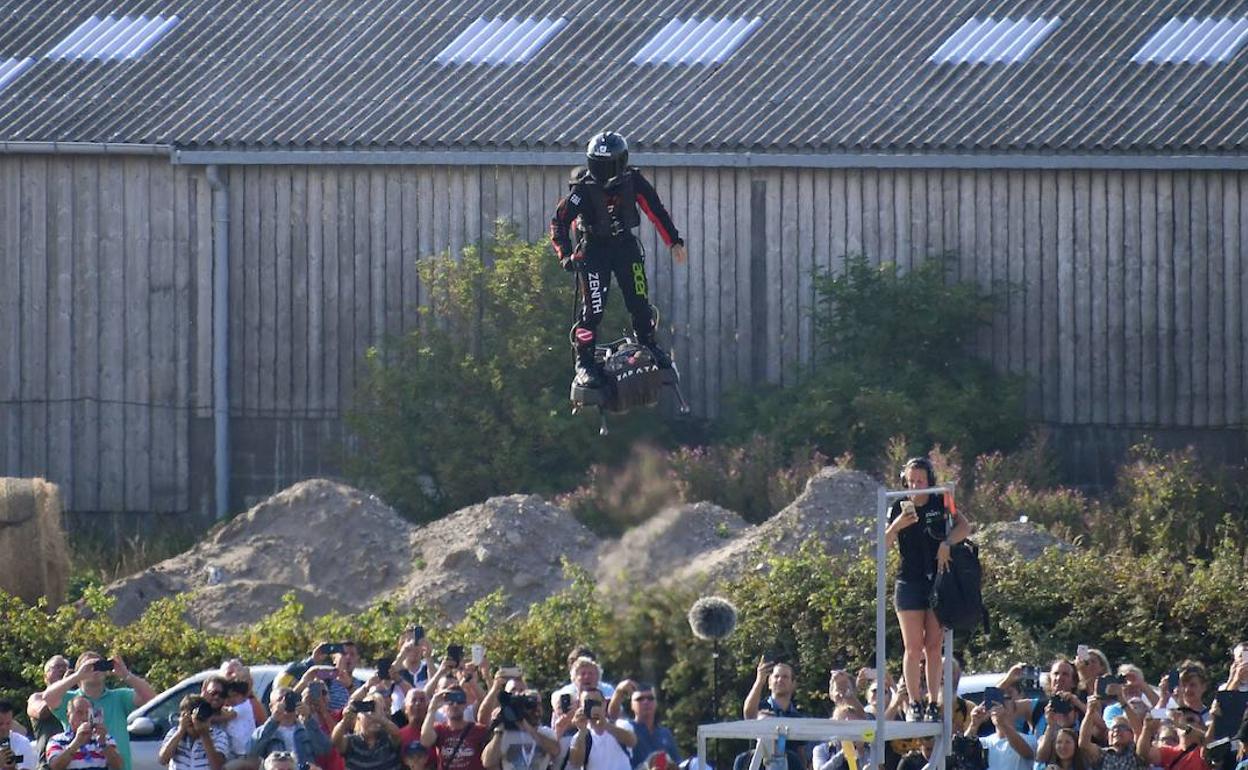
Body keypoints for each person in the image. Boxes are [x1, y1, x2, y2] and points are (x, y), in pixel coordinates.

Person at [550, 131, 688, 389]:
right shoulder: (582, 190)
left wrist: (673, 240)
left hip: (625, 246)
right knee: (593, 310)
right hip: (593, 251)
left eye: (608, 165)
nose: (603, 171)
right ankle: (585, 362)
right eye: (598, 165)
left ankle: (648, 344)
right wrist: (566, 255)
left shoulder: (633, 181)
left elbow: (655, 209)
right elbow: (560, 221)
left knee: (639, 300)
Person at [884, 457, 970, 722]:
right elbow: (883, 543)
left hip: (937, 580)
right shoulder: (898, 505)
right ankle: (915, 702)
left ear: (929, 480)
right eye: (910, 481)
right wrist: (898, 524)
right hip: (909, 581)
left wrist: (947, 543)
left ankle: (933, 702)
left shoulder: (941, 499)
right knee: (913, 646)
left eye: (920, 481)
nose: (915, 486)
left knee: (933, 647)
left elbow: (964, 527)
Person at [43, 652, 155, 770]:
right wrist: (77, 676)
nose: (95, 669)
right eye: (89, 666)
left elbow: (152, 698)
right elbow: (47, 697)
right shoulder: (71, 700)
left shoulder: (119, 696)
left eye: (99, 664)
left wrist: (126, 674)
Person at [247, 688, 331, 770]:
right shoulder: (265, 731)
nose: (285, 702)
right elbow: (252, 752)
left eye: (289, 699)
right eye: (280, 699)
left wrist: (308, 719)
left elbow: (324, 749)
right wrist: (273, 721)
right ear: (271, 706)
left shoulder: (306, 728)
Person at [607, 682, 679, 769]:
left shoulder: (665, 733)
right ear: (631, 705)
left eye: (650, 698)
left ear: (656, 703)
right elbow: (612, 716)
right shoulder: (626, 727)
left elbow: (677, 763)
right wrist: (618, 693)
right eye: (640, 699)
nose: (646, 702)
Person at [421, 684, 490, 770]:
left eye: (459, 701)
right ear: (443, 706)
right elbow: (425, 741)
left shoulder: (479, 730)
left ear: (466, 705)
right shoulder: (439, 729)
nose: (455, 705)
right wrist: (432, 709)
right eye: (450, 702)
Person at [45, 695, 122, 770]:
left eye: (88, 713)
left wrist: (103, 743)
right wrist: (77, 742)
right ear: (69, 716)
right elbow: (55, 767)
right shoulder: (56, 740)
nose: (85, 717)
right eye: (79, 713)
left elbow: (118, 766)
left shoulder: (106, 738)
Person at [566, 690, 635, 770]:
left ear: (604, 704)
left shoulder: (620, 724)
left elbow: (632, 742)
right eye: (588, 702)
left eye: (595, 702)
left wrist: (605, 725)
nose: (592, 706)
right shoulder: (580, 736)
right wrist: (582, 731)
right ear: (581, 706)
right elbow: (576, 764)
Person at [331, 692, 401, 770]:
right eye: (368, 710)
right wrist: (344, 721)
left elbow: (397, 734)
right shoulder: (351, 742)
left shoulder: (388, 739)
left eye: (377, 710)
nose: (371, 716)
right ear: (358, 717)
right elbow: (336, 740)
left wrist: (379, 718)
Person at [158, 695, 229, 770]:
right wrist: (180, 731)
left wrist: (204, 734)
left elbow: (217, 767)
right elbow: (163, 760)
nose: (194, 720)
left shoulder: (218, 735)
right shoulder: (174, 733)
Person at [963, 697, 1035, 770]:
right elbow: (962, 752)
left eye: (1005, 705)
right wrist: (974, 724)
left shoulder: (1030, 740)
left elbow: (1027, 753)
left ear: (1014, 712)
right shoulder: (984, 742)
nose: (1000, 708)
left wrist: (1002, 723)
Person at [28, 655, 71, 767]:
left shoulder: (75, 698)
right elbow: (41, 713)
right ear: (45, 676)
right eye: (57, 667)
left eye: (65, 667)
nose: (62, 670)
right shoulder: (37, 698)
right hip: (48, 764)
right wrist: (63, 686)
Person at [0, 700, 36, 770]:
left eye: (8, 723)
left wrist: (12, 768)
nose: (4, 728)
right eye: (0, 724)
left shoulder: (22, 742)